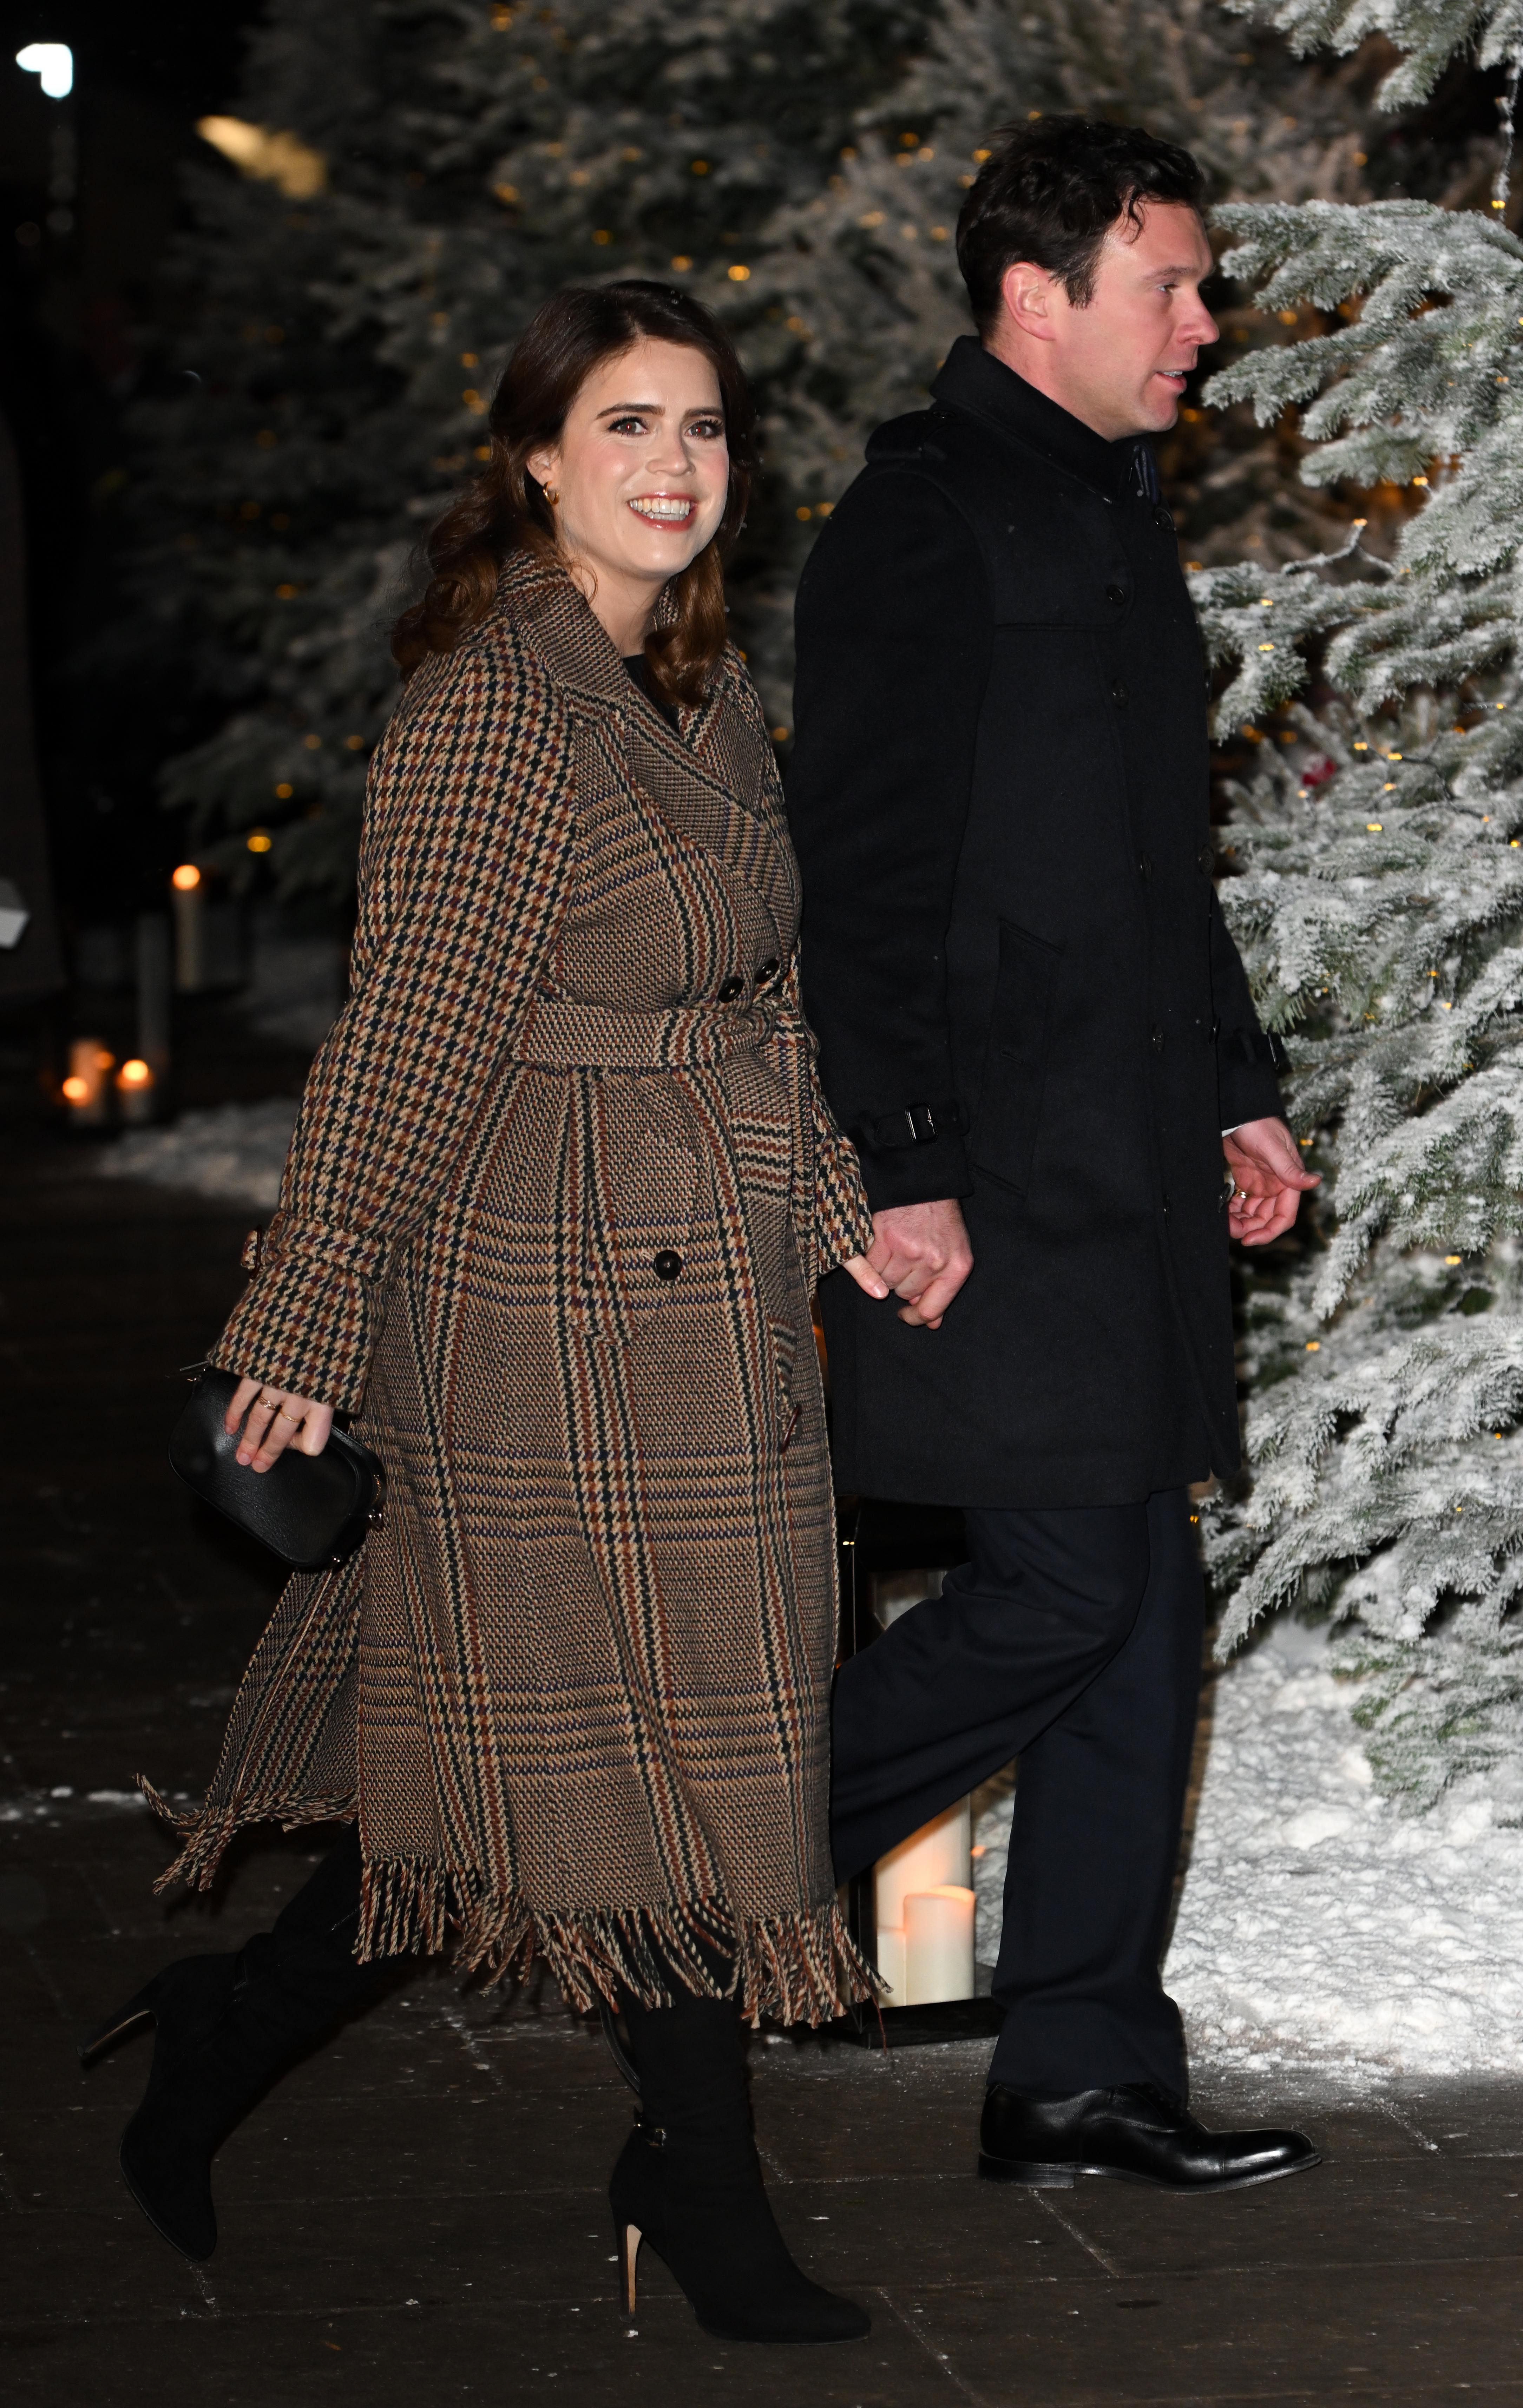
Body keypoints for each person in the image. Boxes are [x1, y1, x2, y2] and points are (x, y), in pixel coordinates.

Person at [83, 280, 888, 2346]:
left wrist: (838, 1209)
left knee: (576, 1746)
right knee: (630, 1740)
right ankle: (704, 2187)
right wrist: (299, 1319)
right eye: (626, 426)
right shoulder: (495, 705)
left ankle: (230, 2030)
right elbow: (409, 1038)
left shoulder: (694, 679)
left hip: (706, 1285)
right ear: (535, 459)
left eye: (703, 429)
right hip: (540, 1293)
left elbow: (757, 994)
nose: (673, 468)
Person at [786, 117, 1323, 2192]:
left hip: (1125, 1156)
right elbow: (862, 883)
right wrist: (900, 1160)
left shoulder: (1106, 507)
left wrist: (1232, 1083)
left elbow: (1155, 866)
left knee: (1140, 1611)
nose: (1203, 323)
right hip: (994, 1180)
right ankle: (689, 1865)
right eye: (1168, 285)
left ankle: (1083, 2068)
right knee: (1068, 1589)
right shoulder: (921, 523)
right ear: (1039, 295)